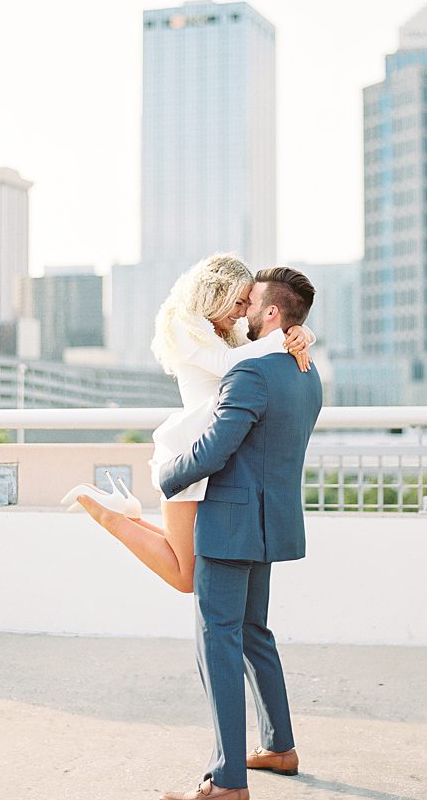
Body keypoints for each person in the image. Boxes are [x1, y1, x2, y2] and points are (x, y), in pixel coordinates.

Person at [153, 266, 323, 800]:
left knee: (217, 642)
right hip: (271, 523)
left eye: (251, 303)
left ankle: (225, 779)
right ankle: (278, 746)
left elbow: (217, 447)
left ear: (271, 313)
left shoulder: (250, 372)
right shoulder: (305, 372)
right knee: (253, 632)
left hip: (229, 525)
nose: (243, 310)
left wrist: (167, 474)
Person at [65, 253, 313, 593]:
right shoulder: (184, 325)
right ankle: (110, 516)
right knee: (186, 577)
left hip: (208, 451)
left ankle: (126, 513)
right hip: (188, 453)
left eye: (245, 304)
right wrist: (285, 334)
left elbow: (259, 338)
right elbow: (230, 365)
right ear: (218, 294)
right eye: (238, 302)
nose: (242, 312)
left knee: (187, 558)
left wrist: (299, 330)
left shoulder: (225, 328)